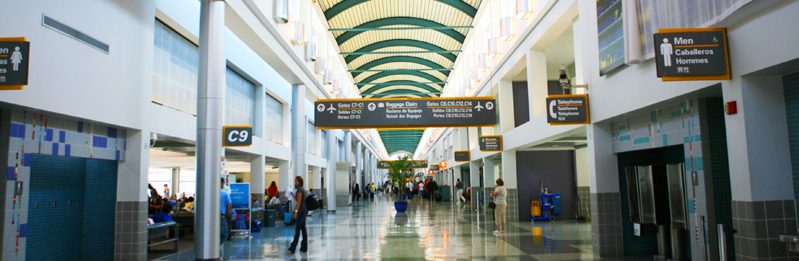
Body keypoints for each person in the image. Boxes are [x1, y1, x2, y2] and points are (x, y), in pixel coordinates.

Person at [288, 176, 309, 254]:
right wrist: (293, 196)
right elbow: (299, 200)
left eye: (296, 181)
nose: (295, 182)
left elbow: (299, 203)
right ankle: (304, 247)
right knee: (303, 229)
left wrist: (295, 212)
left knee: (297, 230)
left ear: (299, 182)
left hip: (300, 211)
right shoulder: (303, 190)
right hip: (304, 211)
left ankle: (293, 247)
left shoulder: (300, 190)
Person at [220, 178, 233, 244]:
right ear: (222, 183)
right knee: (224, 233)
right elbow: (229, 205)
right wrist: (227, 214)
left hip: (211, 216)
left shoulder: (209, 192)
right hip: (222, 216)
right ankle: (218, 246)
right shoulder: (224, 193)